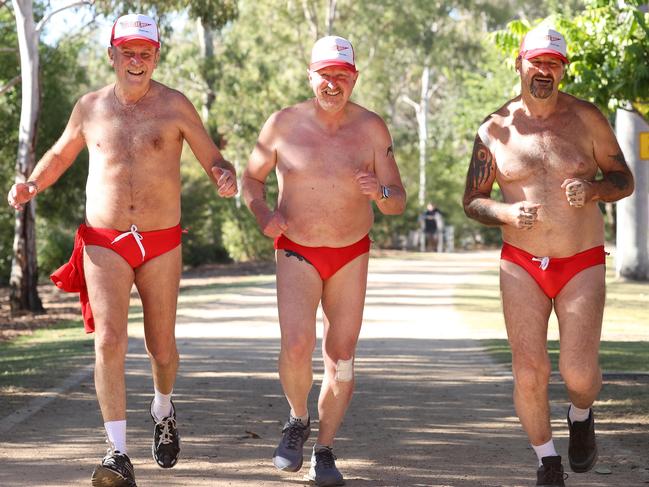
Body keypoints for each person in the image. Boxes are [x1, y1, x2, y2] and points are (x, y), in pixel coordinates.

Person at [7, 13, 237, 487]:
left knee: (162, 345)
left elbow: (212, 154)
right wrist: (32, 183)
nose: (137, 61)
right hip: (104, 240)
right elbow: (60, 154)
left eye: (145, 53)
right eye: (128, 52)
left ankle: (163, 407)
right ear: (111, 55)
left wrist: (223, 174)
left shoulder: (175, 106)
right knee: (109, 340)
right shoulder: (90, 107)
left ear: (156, 56)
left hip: (160, 241)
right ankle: (116, 453)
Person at [462, 25, 634, 487]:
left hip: (581, 261)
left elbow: (625, 178)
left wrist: (595, 188)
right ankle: (547, 461)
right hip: (521, 263)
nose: (544, 71)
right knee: (529, 370)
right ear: (518, 63)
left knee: (578, 373)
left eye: (553, 64)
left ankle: (581, 413)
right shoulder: (494, 129)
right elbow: (473, 200)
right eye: (536, 62)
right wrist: (506, 211)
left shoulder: (587, 119)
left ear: (564, 70)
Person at [242, 35, 405, 487]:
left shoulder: (372, 128)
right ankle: (297, 419)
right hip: (296, 247)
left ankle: (325, 449)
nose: (332, 84)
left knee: (343, 356)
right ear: (310, 75)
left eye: (341, 76)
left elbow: (398, 200)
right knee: (296, 346)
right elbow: (251, 180)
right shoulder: (282, 124)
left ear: (354, 78)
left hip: (351, 252)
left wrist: (381, 192)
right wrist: (263, 214)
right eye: (324, 75)